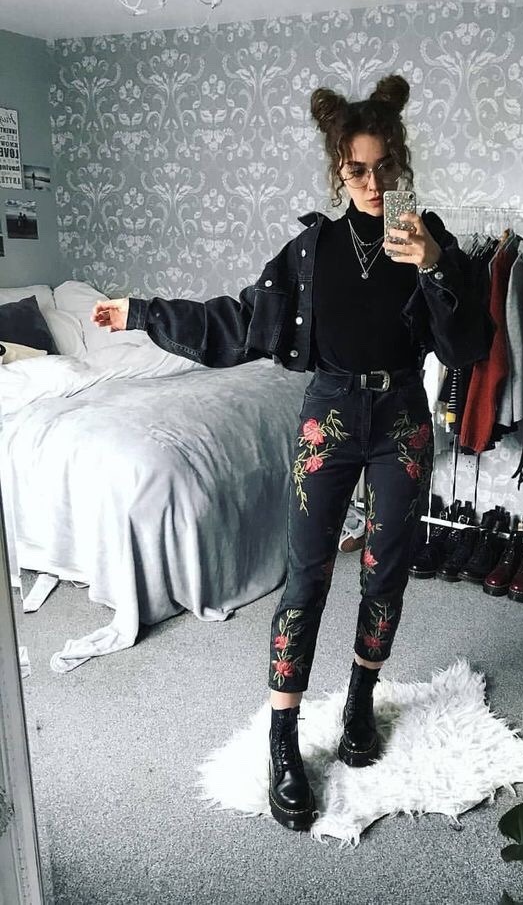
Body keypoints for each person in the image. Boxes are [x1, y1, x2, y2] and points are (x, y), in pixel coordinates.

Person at [91, 73, 493, 832]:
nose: (372, 183)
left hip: (402, 420)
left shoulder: (429, 239)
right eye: (357, 169)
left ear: (401, 162)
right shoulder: (311, 251)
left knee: (386, 570)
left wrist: (435, 263)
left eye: (384, 167)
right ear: (338, 168)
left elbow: (468, 345)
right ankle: (283, 736)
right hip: (329, 416)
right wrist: (141, 311)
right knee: (305, 575)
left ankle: (360, 701)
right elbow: (237, 321)